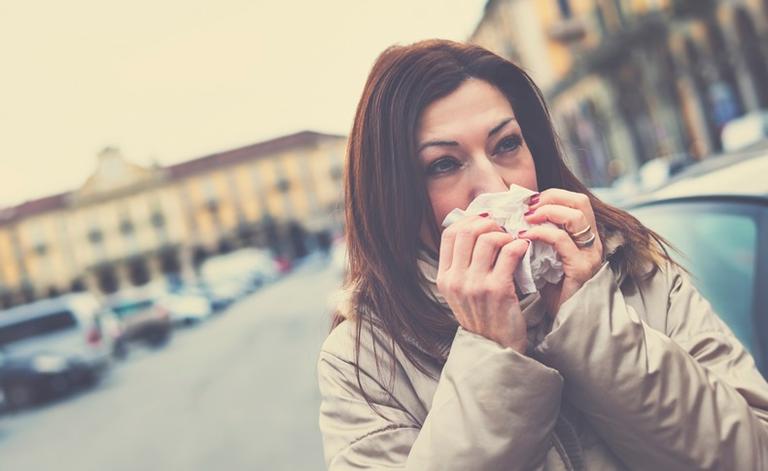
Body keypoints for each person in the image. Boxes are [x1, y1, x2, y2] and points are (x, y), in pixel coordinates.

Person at [316, 39, 768, 470]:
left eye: (507, 144)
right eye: (443, 164)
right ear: (393, 195)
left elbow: (752, 455)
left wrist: (590, 320)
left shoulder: (634, 268)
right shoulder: (362, 362)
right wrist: (491, 354)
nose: (496, 186)